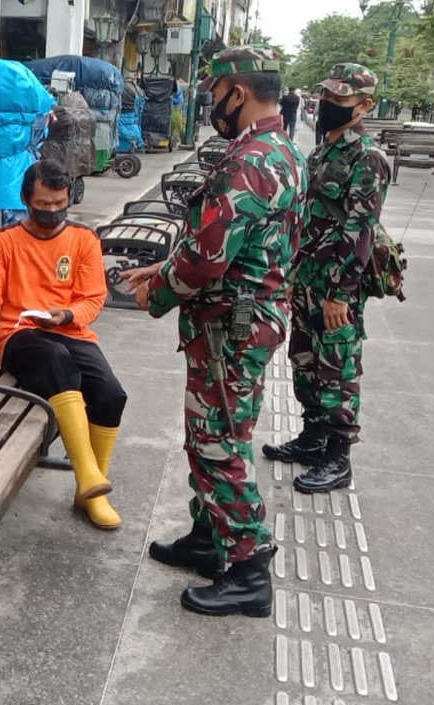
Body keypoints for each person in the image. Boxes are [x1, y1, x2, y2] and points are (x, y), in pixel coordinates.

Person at [120, 46, 307, 618]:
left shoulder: (249, 159)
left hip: (232, 326)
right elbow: (244, 243)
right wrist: (163, 265)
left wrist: (160, 290)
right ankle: (211, 539)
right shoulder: (280, 151)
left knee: (216, 443)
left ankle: (249, 568)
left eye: (213, 96)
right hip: (245, 318)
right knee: (217, 431)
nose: (209, 107)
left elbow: (205, 261)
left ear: (239, 92)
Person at [0, 159, 128, 530]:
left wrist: (67, 314)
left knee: (111, 393)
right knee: (55, 358)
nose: (52, 211)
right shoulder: (3, 242)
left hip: (68, 329)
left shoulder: (83, 239)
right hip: (19, 335)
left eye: (59, 203)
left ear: (69, 199)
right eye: (43, 204)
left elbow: (93, 298)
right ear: (26, 200)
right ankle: (88, 474)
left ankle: (89, 493)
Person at [263, 64, 390, 495]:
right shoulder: (323, 153)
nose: (328, 106)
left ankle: (338, 458)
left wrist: (340, 293)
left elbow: (360, 231)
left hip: (337, 289)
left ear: (364, 106)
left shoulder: (368, 159)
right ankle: (313, 437)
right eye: (327, 98)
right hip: (308, 281)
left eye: (340, 101)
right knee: (305, 361)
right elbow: (305, 221)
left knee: (337, 369)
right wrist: (294, 276)